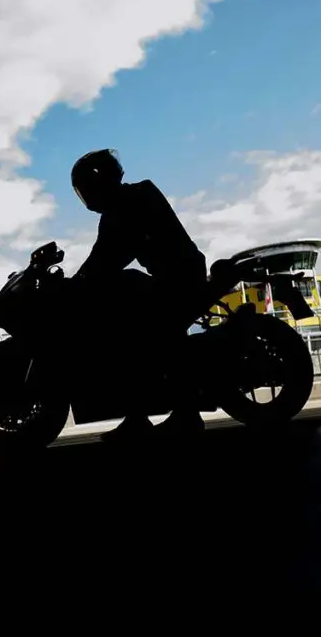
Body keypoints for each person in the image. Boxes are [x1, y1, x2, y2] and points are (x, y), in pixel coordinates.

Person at [68, 148, 209, 443]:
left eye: (86, 188)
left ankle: (179, 415)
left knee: (135, 334)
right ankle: (139, 416)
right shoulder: (123, 204)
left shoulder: (131, 201)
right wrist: (79, 280)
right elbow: (102, 255)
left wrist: (79, 283)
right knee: (127, 313)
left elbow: (109, 256)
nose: (85, 196)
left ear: (100, 182)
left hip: (181, 280)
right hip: (172, 278)